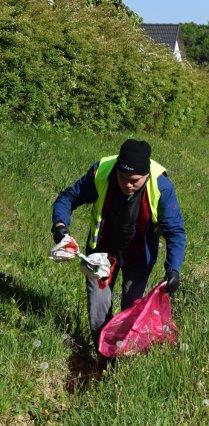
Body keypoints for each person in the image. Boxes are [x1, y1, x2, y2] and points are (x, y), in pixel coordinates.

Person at [51, 139, 186, 367]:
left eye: (135, 181)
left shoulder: (161, 187)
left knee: (131, 306)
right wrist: (60, 226)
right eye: (122, 178)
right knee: (98, 307)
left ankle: (125, 362)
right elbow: (68, 197)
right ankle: (105, 361)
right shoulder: (101, 172)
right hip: (101, 255)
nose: (127, 185)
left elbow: (175, 231)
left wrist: (173, 269)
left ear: (145, 176)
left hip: (138, 256)